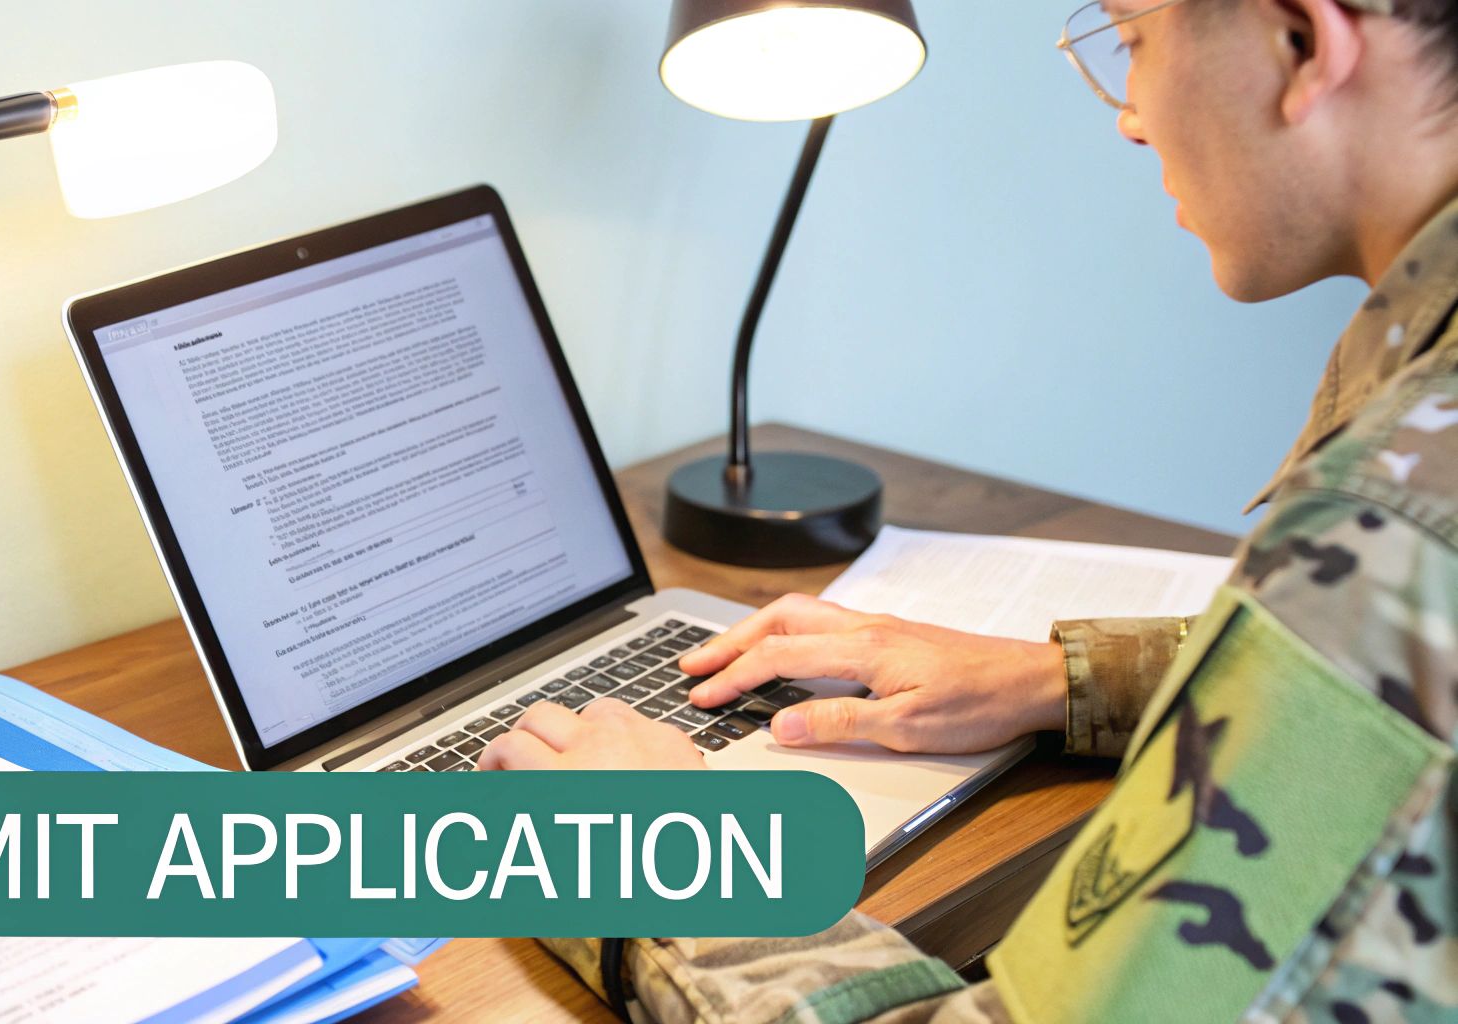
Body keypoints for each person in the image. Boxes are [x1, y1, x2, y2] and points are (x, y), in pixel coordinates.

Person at [479, 0, 1458, 1019]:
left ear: (1301, 41)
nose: (1128, 116)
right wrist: (1061, 679)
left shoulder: (1387, 523)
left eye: (1130, 40)